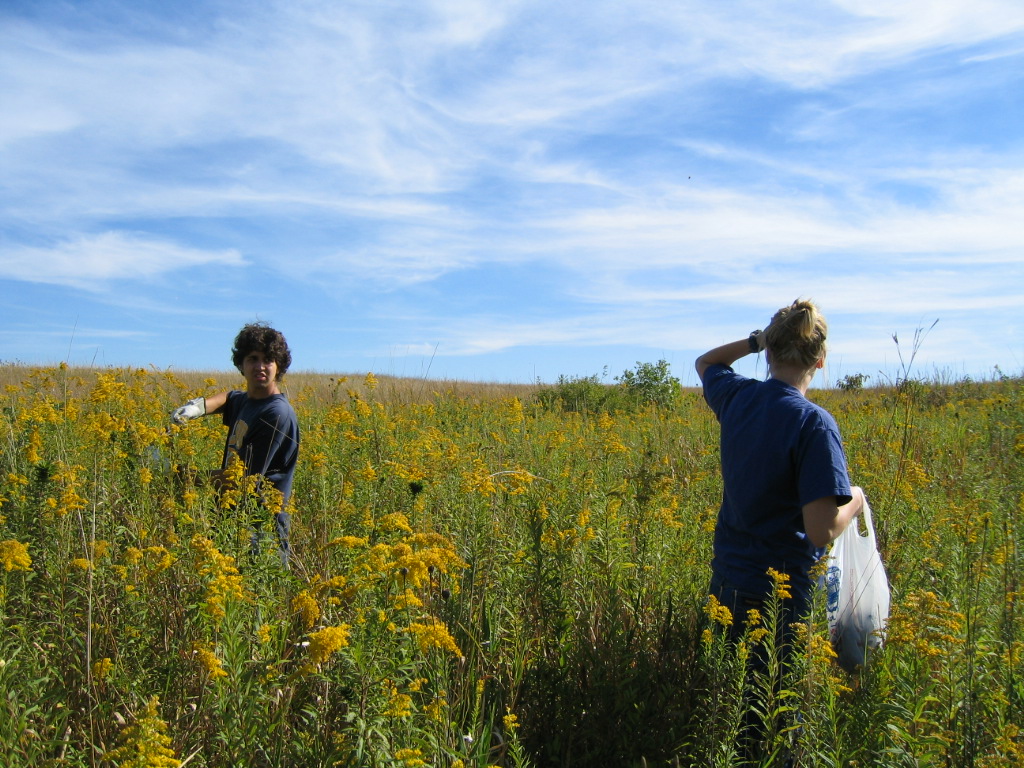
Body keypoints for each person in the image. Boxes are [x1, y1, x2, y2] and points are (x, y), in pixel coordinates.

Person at [695, 299, 865, 646]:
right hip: (779, 597)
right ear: (820, 360)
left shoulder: (737, 397)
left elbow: (706, 362)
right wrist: (856, 499)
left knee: (725, 691)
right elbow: (821, 530)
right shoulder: (814, 423)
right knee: (774, 694)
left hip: (727, 577)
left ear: (769, 353)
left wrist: (755, 342)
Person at [171, 322, 300, 565]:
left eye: (268, 359)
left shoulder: (276, 414)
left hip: (260, 530)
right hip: (233, 521)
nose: (260, 366)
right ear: (241, 364)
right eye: (252, 358)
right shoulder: (248, 401)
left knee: (256, 595)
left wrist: (185, 475)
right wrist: (195, 408)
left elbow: (240, 481)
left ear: (279, 365)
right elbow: (229, 398)